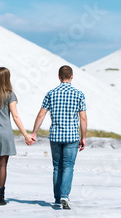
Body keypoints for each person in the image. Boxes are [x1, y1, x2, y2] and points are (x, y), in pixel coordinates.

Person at [31, 65, 88, 210]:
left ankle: (57, 199)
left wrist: (34, 133)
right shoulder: (79, 94)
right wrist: (84, 137)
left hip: (55, 135)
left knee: (57, 167)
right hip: (72, 136)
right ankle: (64, 196)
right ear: (72, 76)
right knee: (68, 166)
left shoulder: (51, 93)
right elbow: (83, 118)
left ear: (58, 76)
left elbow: (41, 115)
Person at [0, 67, 33, 206]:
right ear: (7, 78)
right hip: (4, 133)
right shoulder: (10, 95)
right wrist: (26, 135)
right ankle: (0, 198)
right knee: (3, 165)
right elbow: (15, 116)